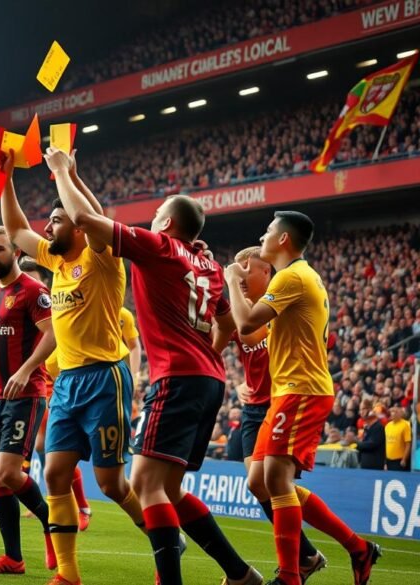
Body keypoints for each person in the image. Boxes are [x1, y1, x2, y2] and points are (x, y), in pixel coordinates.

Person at [44, 147, 259, 585]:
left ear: (167, 224)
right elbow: (227, 324)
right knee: (170, 488)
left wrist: (62, 172)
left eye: (158, 211)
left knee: (145, 483)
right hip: (209, 379)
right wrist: (208, 351)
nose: (153, 216)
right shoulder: (210, 264)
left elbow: (87, 223)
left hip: (177, 378)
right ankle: (239, 574)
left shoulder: (159, 247)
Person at [2, 149, 145, 585]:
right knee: (54, 473)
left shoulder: (102, 259)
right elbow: (15, 230)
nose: (48, 229)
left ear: (79, 228)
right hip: (66, 383)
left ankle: (165, 542)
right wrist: (7, 176)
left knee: (111, 484)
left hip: (105, 377)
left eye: (57, 221)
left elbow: (92, 218)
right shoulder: (56, 262)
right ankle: (67, 574)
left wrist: (65, 173)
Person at [225, 211, 380, 585]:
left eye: (267, 230)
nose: (263, 234)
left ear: (282, 240)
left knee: (276, 481)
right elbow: (250, 332)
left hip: (302, 389)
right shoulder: (295, 277)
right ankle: (357, 548)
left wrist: (231, 279)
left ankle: (291, 575)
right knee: (260, 481)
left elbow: (246, 323)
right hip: (289, 391)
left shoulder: (293, 276)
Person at [225, 246, 327, 581]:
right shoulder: (247, 309)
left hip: (280, 402)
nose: (240, 276)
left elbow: (255, 335)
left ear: (265, 273)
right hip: (253, 407)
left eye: (246, 269)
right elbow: (246, 353)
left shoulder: (276, 308)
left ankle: (301, 563)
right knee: (262, 484)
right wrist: (243, 385)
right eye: (238, 269)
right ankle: (312, 555)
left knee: (271, 483)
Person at [0, 226, 58, 576]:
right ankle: (13, 558)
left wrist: (26, 370)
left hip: (24, 394)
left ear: (17, 253)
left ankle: (53, 524)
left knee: (9, 471)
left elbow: (53, 335)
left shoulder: (35, 291)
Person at [18, 257, 91, 533]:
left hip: (58, 382)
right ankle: (61, 502)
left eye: (36, 279)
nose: (32, 285)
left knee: (53, 449)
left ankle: (80, 505)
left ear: (45, 283)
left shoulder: (55, 304)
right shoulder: (21, 304)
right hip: (33, 380)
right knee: (39, 448)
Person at [384, 406, 412, 471]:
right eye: (392, 411)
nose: (393, 413)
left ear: (401, 414)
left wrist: (404, 459)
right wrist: (385, 462)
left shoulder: (405, 425)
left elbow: (408, 444)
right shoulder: (387, 426)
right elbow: (386, 444)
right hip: (388, 460)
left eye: (396, 411)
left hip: (399, 460)